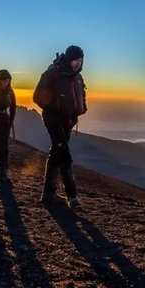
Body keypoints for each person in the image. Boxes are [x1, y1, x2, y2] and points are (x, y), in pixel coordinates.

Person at [33, 45, 87, 209]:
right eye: (74, 60)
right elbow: (38, 96)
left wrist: (78, 111)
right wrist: (54, 107)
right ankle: (73, 197)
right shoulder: (54, 72)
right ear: (68, 59)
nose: (77, 63)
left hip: (68, 121)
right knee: (65, 155)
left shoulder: (77, 77)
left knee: (56, 154)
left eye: (80, 60)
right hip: (53, 120)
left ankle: (48, 194)